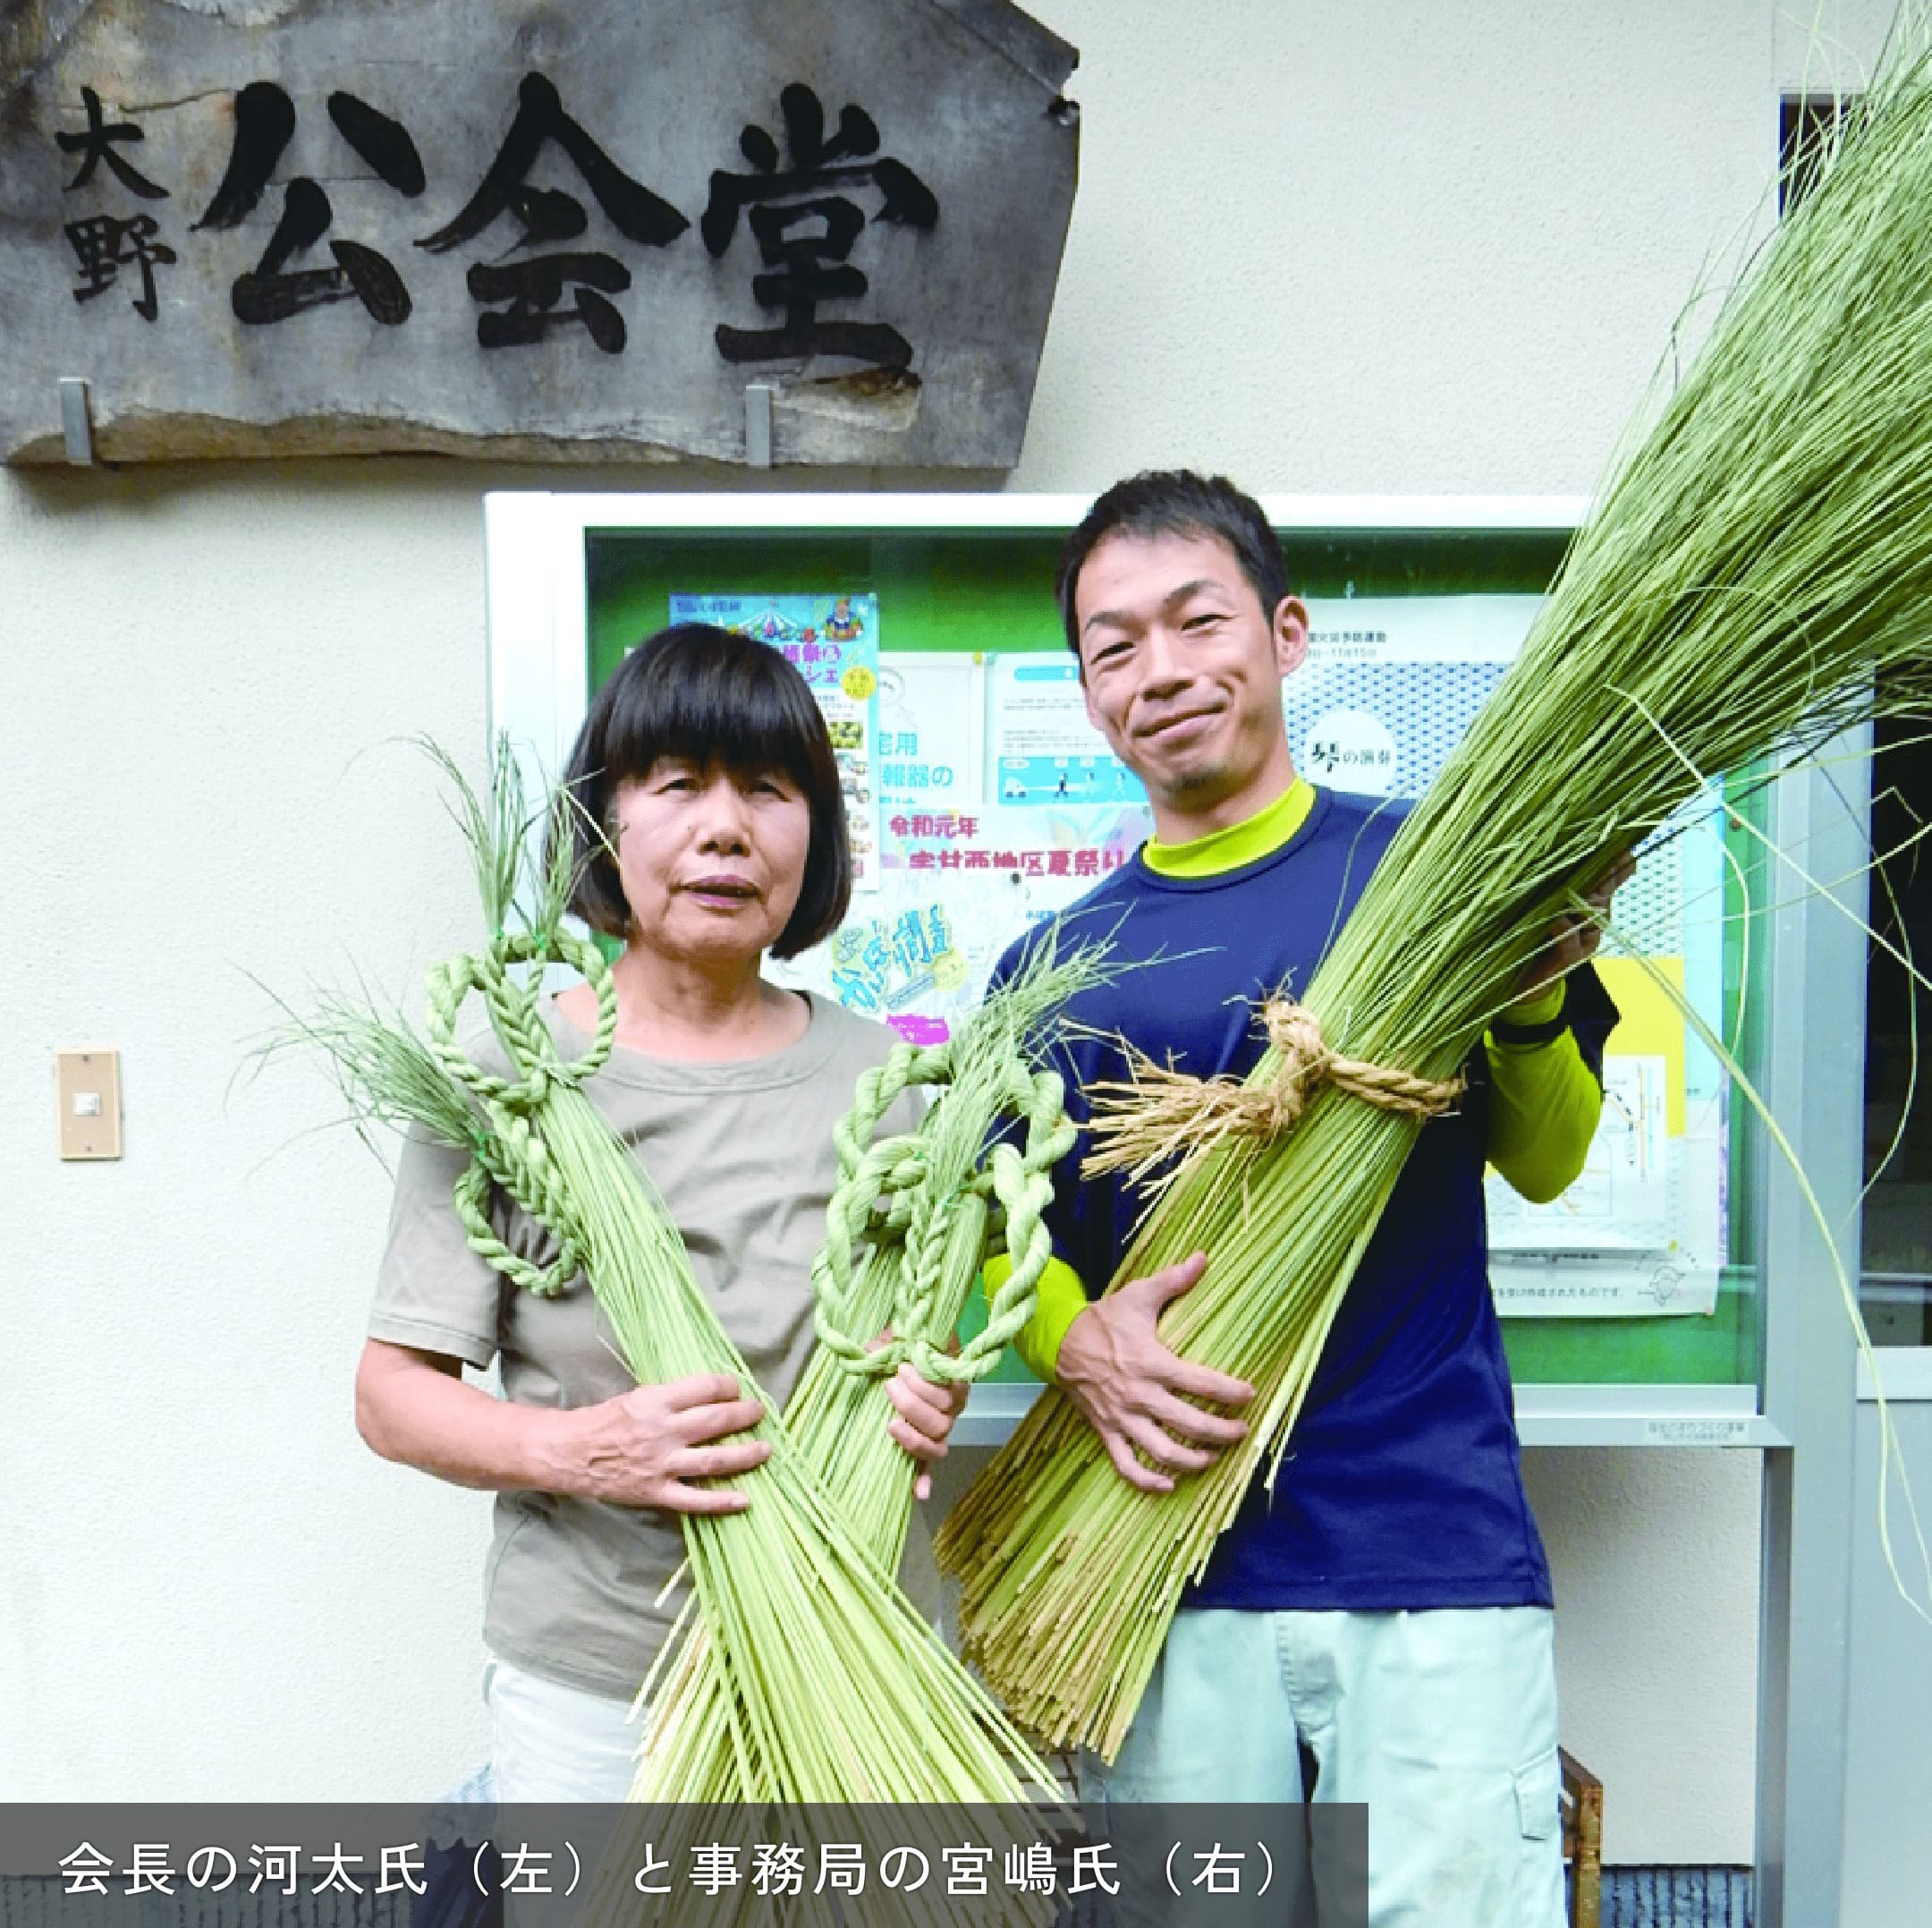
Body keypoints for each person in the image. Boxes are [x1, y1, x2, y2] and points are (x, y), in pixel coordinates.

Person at [981, 472, 1630, 1926]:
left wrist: (1525, 1004)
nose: (1159, 670)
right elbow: (993, 1242)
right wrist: (1073, 1345)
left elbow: (1547, 1155)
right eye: (1113, 647)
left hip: (1431, 1550)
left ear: (1284, 634)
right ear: (1088, 698)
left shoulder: (1432, 872)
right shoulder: (1050, 967)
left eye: (1195, 619)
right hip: (1162, 1573)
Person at [356, 624, 966, 1802]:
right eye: (678, 784)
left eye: (769, 789)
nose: (725, 826)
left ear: (817, 837)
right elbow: (392, 1395)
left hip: (858, 1664)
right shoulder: (507, 1074)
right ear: (605, 823)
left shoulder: (896, 1087)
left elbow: (906, 1355)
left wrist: (918, 1392)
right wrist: (583, 1452)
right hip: (601, 1684)